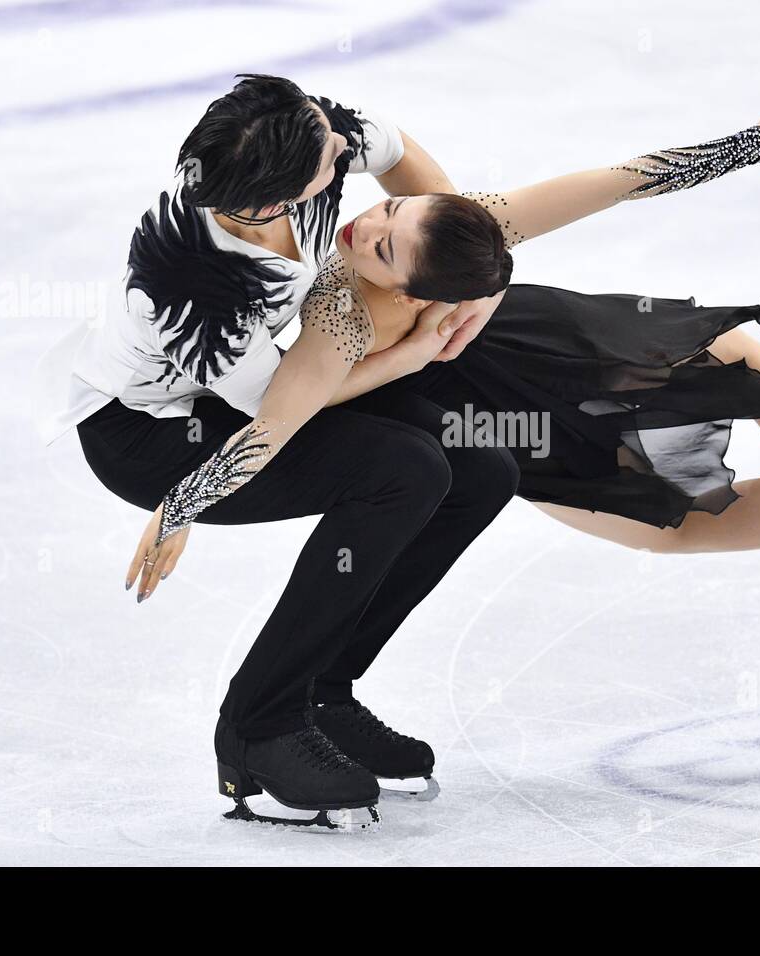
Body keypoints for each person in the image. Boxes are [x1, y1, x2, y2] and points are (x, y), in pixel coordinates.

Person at [131, 104, 760, 825]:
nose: (362, 226)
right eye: (382, 222)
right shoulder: (411, 264)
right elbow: (285, 416)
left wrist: (746, 143)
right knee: (691, 471)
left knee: (724, 379)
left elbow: (623, 182)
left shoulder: (378, 286)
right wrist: (183, 504)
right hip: (495, 386)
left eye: (389, 226)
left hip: (494, 385)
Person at [36, 75, 516, 830]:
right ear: (274, 201)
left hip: (257, 395)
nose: (341, 140)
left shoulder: (294, 140)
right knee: (406, 469)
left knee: (481, 466)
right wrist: (411, 355)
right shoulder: (195, 288)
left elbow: (405, 164)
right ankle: (259, 727)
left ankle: (323, 691)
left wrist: (461, 278)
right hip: (153, 436)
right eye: (329, 150)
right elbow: (284, 410)